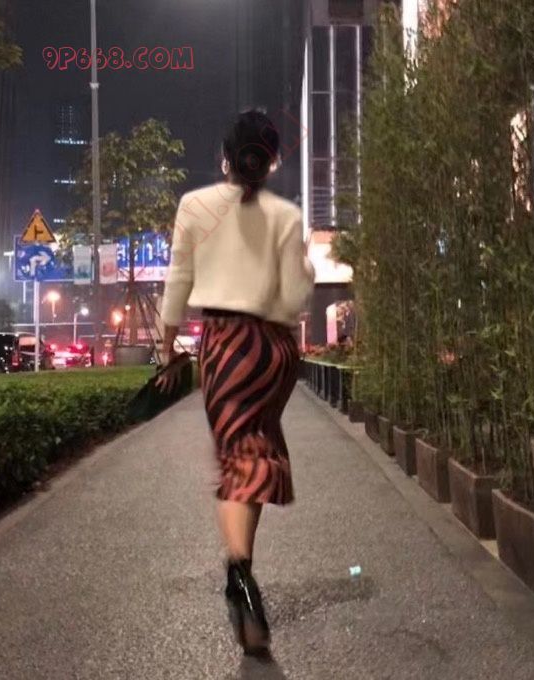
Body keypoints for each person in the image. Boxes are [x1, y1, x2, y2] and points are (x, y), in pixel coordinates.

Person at [158, 109, 315, 656]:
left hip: (226, 346)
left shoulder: (194, 206)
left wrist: (167, 347)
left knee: (237, 460)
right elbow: (294, 297)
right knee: (257, 453)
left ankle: (241, 577)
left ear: (225, 158)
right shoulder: (286, 216)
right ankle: (240, 572)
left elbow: (178, 279)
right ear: (270, 163)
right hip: (273, 352)